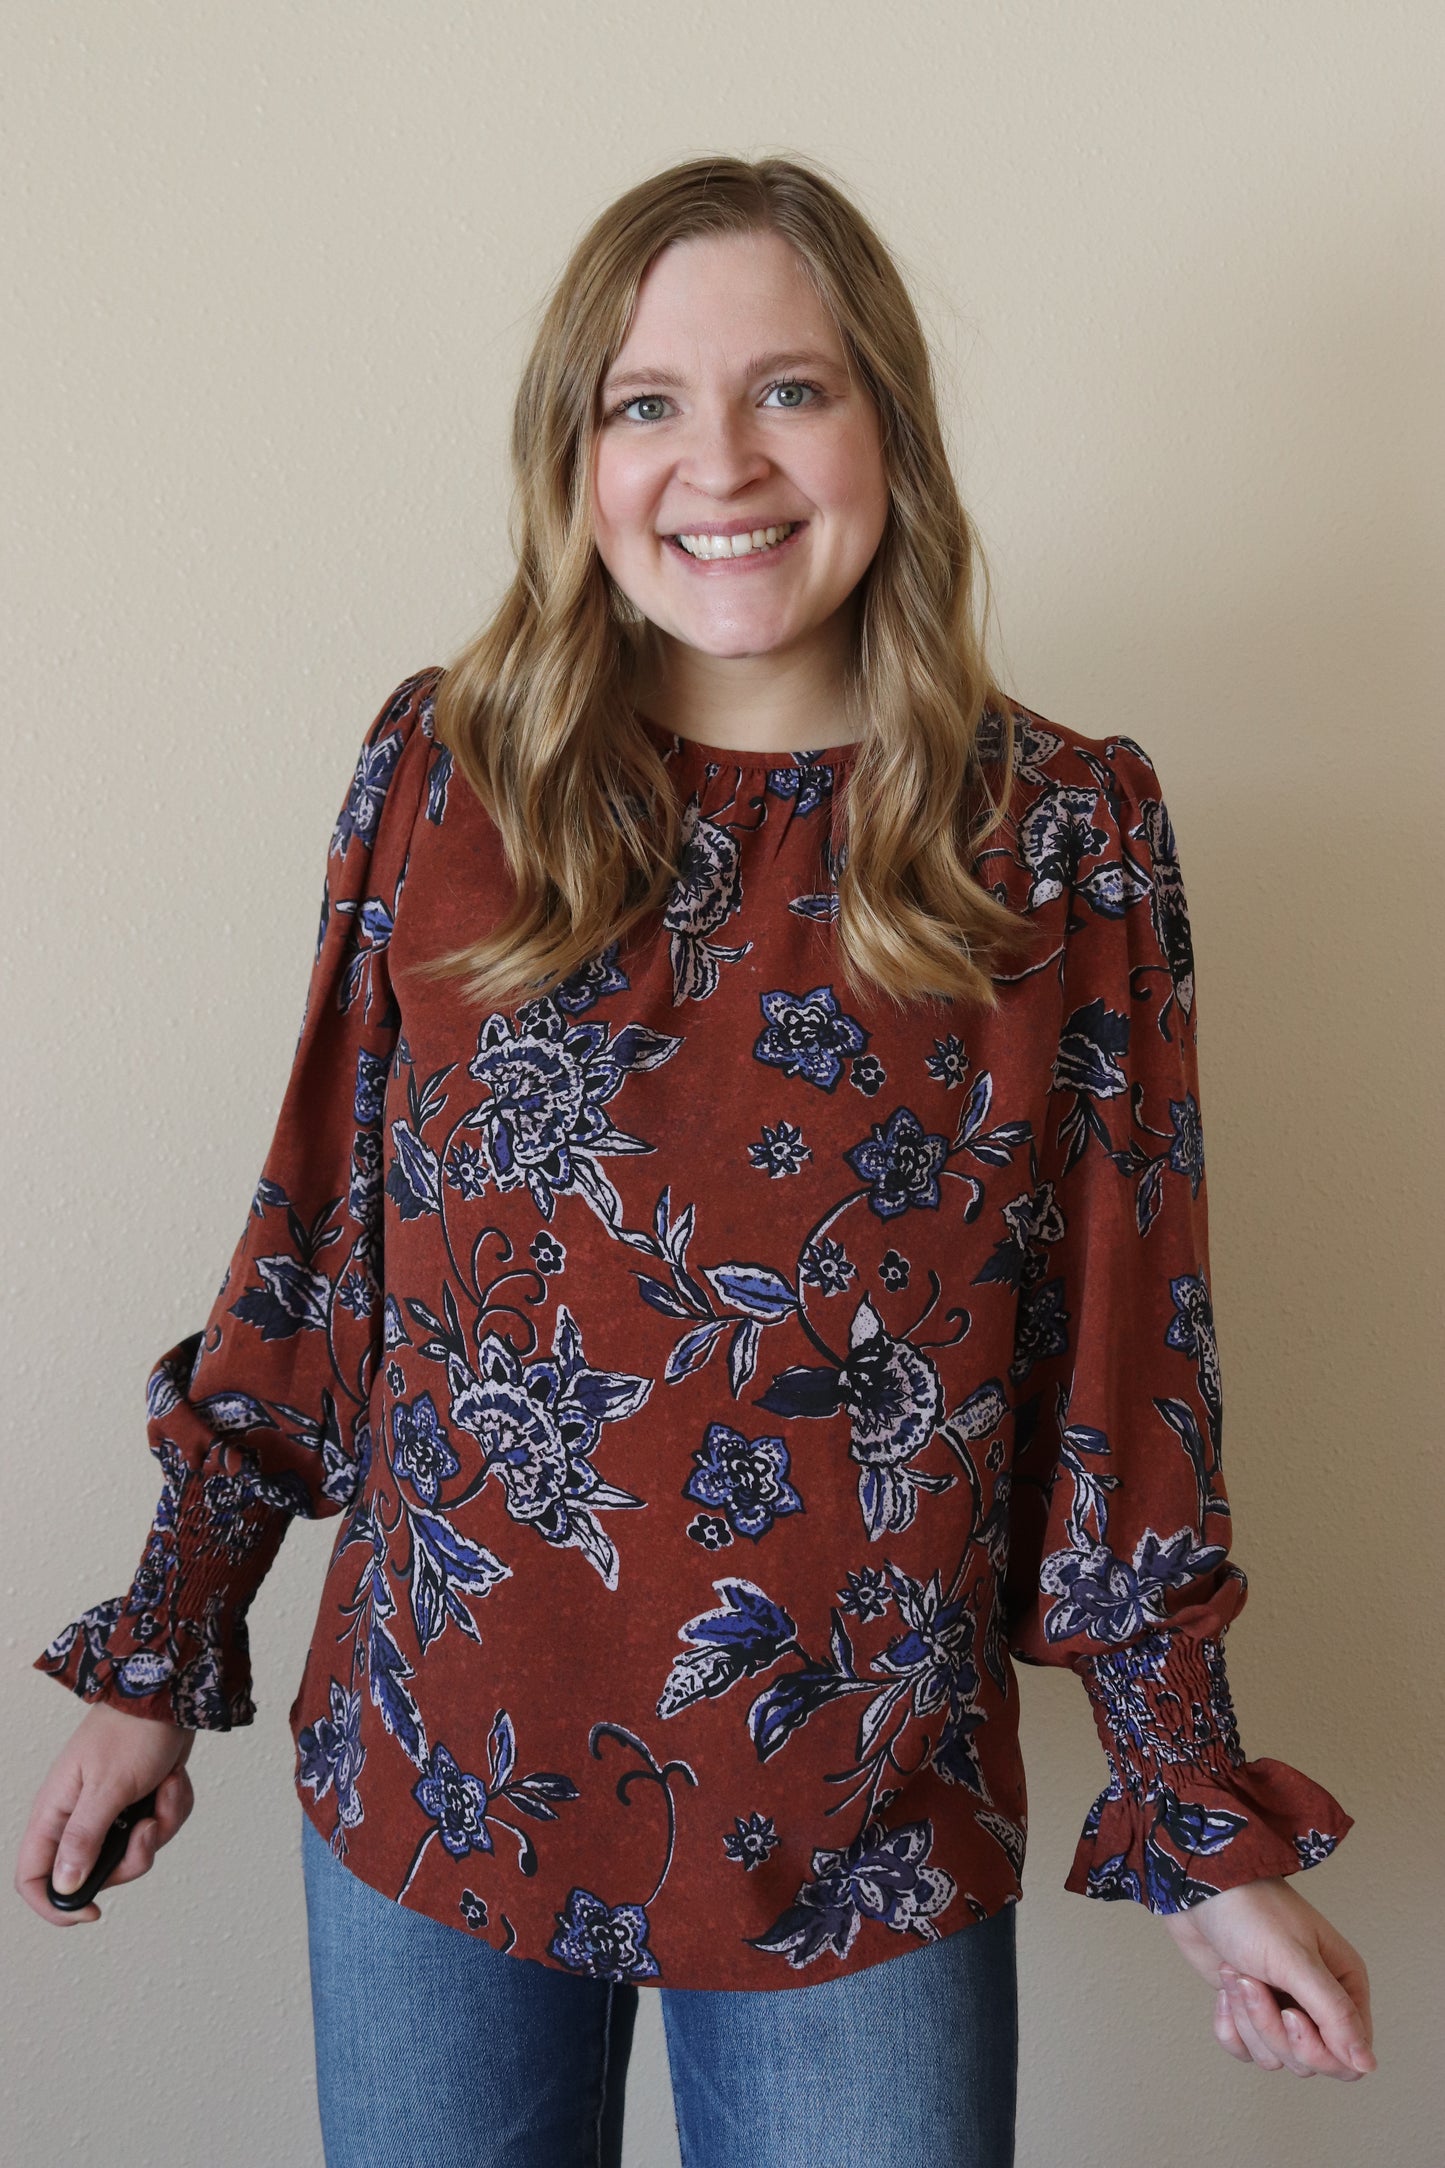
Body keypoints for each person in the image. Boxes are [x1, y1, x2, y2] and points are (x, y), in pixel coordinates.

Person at [15, 153, 1375, 2167]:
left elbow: (1125, 1377)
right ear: (574, 456)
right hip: (433, 1774)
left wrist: (1194, 1824)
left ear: (888, 430)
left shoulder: (1063, 834)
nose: (716, 460)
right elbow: (314, 1248)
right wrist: (162, 1644)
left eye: (790, 391)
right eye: (645, 401)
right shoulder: (441, 771)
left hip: (859, 1831)